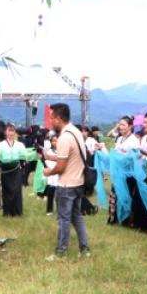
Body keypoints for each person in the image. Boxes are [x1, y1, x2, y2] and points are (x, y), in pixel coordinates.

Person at [43, 103, 91, 259]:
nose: (50, 121)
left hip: (66, 185)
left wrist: (48, 171)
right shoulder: (76, 132)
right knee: (77, 216)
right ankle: (85, 249)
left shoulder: (64, 138)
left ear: (58, 118)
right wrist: (52, 157)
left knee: (63, 219)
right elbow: (71, 156)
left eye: (51, 118)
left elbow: (61, 167)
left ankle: (61, 251)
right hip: (79, 182)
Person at [0, 124, 27, 217]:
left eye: (13, 131)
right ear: (5, 132)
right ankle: (7, 212)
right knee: (7, 191)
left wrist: (23, 167)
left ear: (15, 132)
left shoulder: (20, 144)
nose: (11, 133)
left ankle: (17, 212)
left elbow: (23, 157)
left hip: (16, 170)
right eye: (9, 131)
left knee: (16, 191)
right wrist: (0, 165)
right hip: (5, 170)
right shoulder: (0, 145)